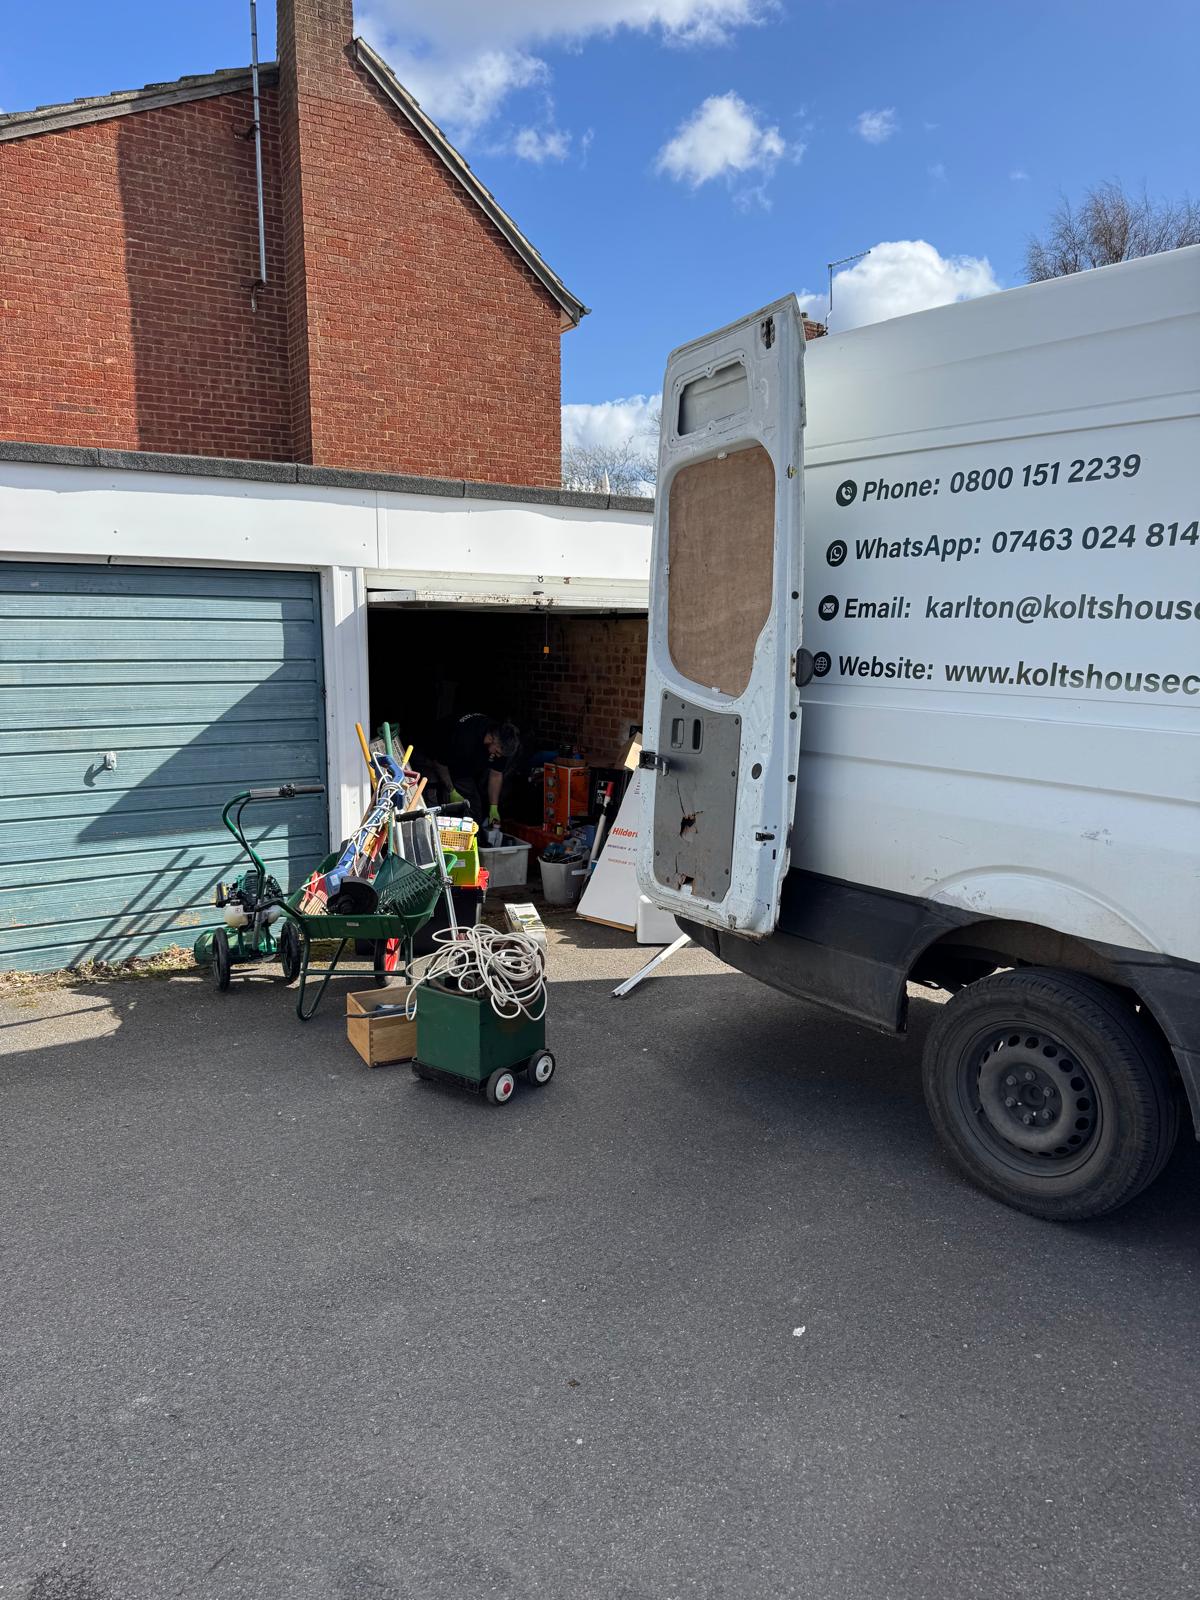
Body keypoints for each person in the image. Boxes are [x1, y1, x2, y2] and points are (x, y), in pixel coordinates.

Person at [429, 714, 520, 825]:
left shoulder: (501, 742)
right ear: (491, 739)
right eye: (497, 752)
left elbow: (496, 774)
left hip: (461, 768)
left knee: (472, 807)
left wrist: (493, 807)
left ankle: (473, 832)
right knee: (432, 803)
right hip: (431, 756)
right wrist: (451, 790)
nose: (498, 756)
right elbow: (440, 764)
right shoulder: (465, 736)